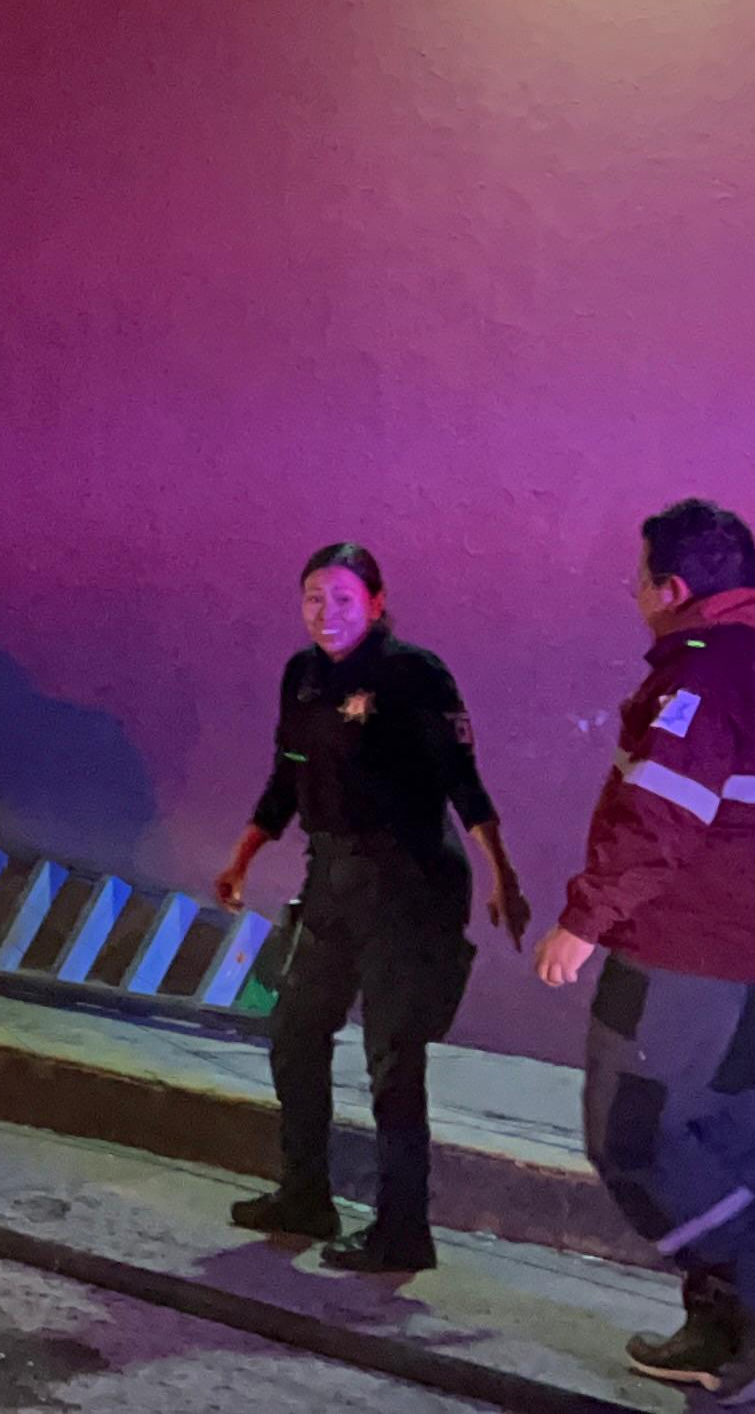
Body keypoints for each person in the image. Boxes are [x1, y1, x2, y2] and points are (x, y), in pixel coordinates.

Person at [535, 500, 755, 1403]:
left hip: (686, 960)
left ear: (671, 589)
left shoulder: (702, 676)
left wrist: (584, 922)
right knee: (735, 1145)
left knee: (632, 1136)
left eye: (640, 577)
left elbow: (660, 817)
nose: (635, 594)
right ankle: (724, 1331)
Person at [215, 542, 528, 1273]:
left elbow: (462, 781)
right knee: (294, 1031)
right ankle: (305, 1195)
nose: (327, 614)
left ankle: (402, 1231)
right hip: (333, 880)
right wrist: (243, 855)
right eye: (313, 600)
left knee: (392, 1058)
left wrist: (501, 873)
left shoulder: (414, 674)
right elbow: (286, 776)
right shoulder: (302, 677)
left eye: (344, 599)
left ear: (378, 603)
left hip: (409, 885)